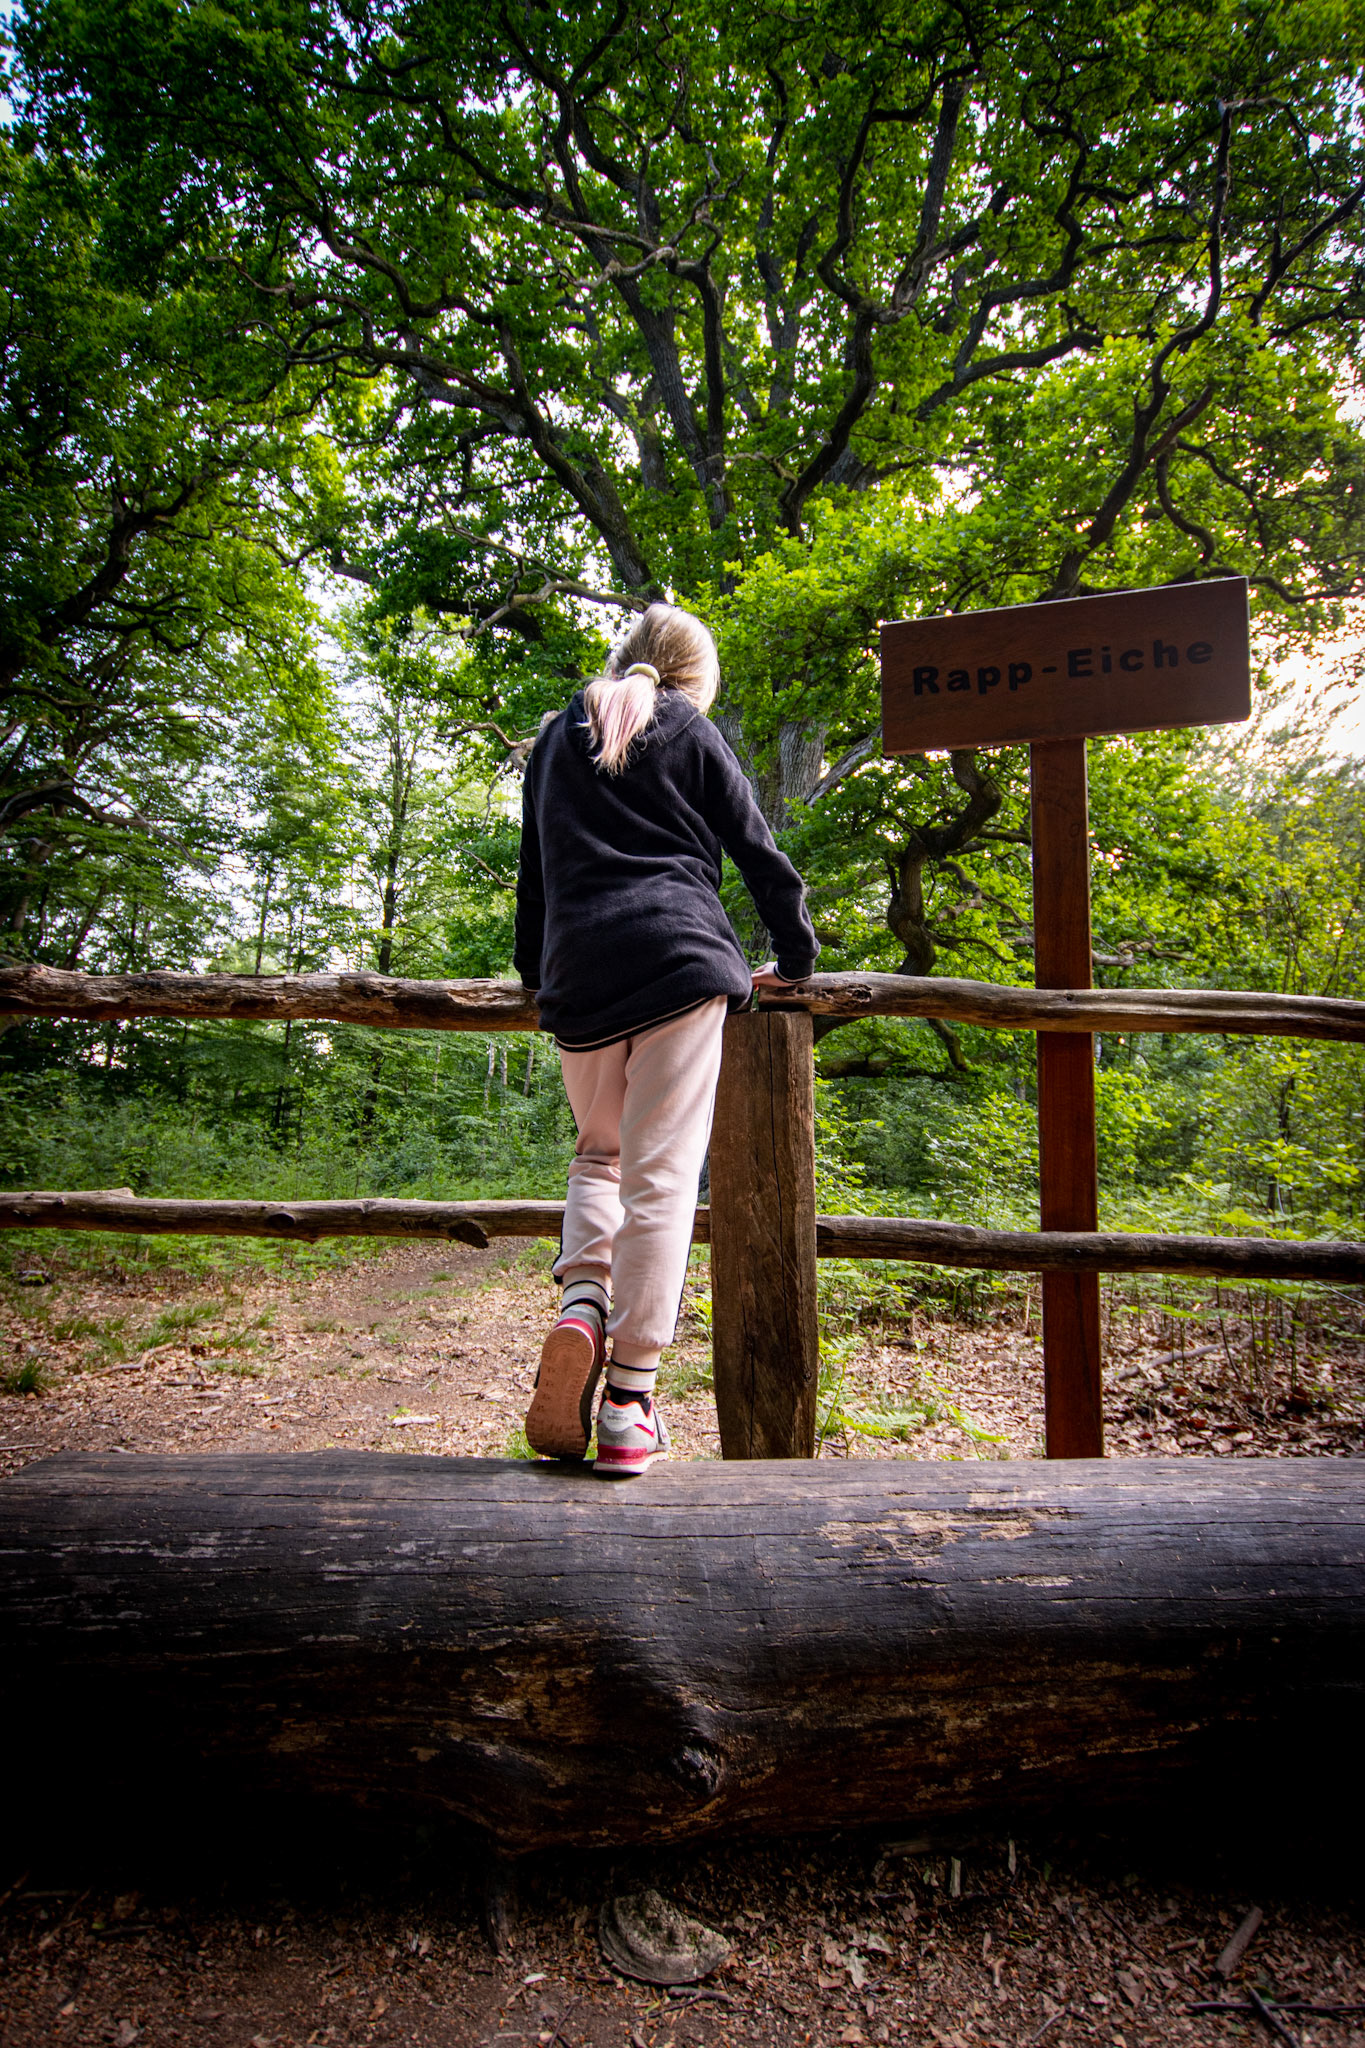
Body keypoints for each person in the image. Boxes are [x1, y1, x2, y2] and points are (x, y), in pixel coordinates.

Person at [514, 602, 818, 1475]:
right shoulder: (689, 728)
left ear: (626, 657)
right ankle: (627, 1404)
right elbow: (758, 852)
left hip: (578, 975)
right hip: (678, 965)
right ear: (695, 675)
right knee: (662, 1181)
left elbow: (535, 877)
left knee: (596, 1157)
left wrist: (537, 977)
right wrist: (796, 957)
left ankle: (581, 1302)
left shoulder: (554, 734)